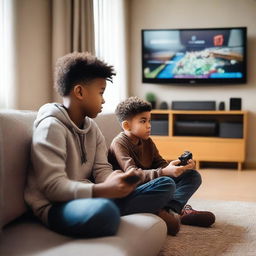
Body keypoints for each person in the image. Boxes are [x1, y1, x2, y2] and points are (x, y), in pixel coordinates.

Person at [24, 52, 181, 238]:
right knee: (105, 211)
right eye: (101, 92)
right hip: (56, 206)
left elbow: (101, 170)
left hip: (94, 195)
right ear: (80, 92)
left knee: (165, 184)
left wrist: (115, 179)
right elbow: (52, 187)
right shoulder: (51, 127)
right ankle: (153, 210)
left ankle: (144, 208)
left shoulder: (92, 128)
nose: (104, 100)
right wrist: (103, 190)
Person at [108, 96, 216, 233]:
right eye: (143, 121)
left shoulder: (147, 141)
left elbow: (160, 164)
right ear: (126, 125)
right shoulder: (119, 143)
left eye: (149, 120)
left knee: (193, 176)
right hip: (134, 190)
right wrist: (165, 172)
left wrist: (179, 168)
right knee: (167, 183)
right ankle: (177, 211)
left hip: (152, 182)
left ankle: (170, 210)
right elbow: (133, 174)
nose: (149, 125)